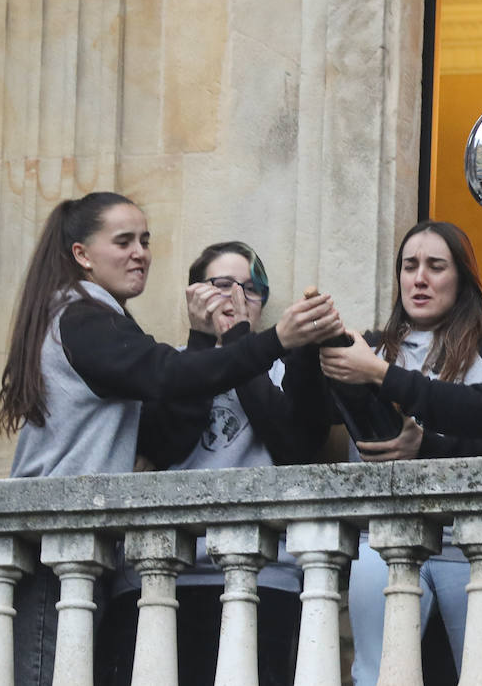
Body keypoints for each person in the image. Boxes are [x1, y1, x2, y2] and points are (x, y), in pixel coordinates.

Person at [0, 192, 341, 686]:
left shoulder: (96, 315)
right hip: (58, 549)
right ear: (81, 254)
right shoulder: (82, 317)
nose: (140, 252)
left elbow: (292, 438)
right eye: (123, 241)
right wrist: (266, 340)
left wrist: (257, 343)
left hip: (98, 555)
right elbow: (167, 377)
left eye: (145, 240)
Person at [100, 241, 328, 686]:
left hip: (264, 576)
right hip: (161, 574)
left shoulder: (289, 368)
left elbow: (295, 447)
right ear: (193, 296)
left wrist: (243, 345)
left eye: (250, 289)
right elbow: (166, 443)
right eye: (220, 285)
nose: (235, 298)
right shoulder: (167, 366)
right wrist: (205, 343)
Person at [314, 221, 482, 686]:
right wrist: (305, 344)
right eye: (410, 266)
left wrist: (427, 446)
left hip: (475, 541)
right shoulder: (367, 349)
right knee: (377, 676)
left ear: (462, 278)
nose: (420, 279)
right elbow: (305, 424)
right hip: (384, 538)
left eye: (436, 266)